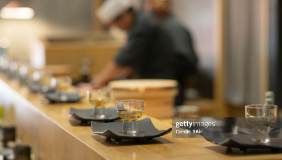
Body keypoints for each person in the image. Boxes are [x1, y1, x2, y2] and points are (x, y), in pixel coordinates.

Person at [92, 0, 176, 90]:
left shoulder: (143, 25)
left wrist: (97, 82)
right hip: (153, 83)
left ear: (124, 14)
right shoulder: (139, 23)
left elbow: (123, 60)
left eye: (116, 25)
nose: (119, 28)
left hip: (160, 86)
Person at [148, 0, 198, 105]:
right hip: (159, 89)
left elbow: (188, 63)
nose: (156, 4)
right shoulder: (155, 25)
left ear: (168, 4)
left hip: (171, 90)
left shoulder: (173, 27)